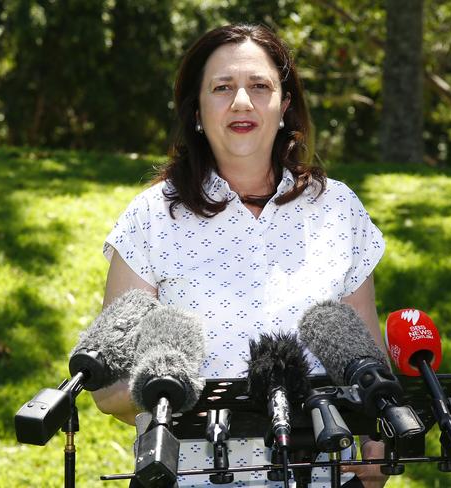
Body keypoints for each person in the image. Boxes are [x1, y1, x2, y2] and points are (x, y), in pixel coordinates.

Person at [92, 23, 388, 488]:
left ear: (285, 104)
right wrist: (173, 390)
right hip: (193, 477)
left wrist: (377, 445)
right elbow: (110, 387)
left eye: (260, 86)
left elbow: (369, 361)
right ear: (196, 110)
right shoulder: (150, 216)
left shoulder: (338, 208)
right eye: (222, 88)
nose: (242, 102)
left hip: (324, 474)